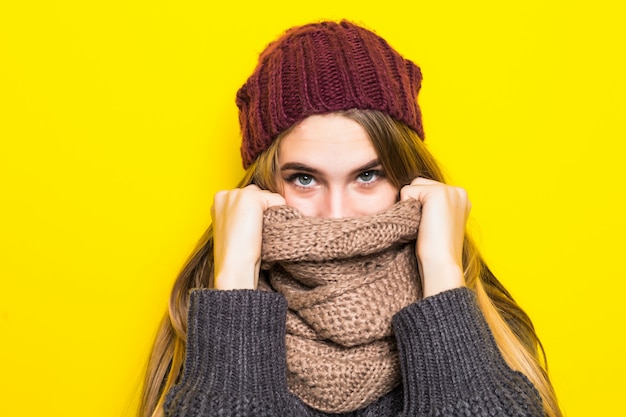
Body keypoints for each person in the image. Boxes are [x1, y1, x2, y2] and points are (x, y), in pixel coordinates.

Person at [139, 20, 562, 417]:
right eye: (304, 178)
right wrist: (233, 281)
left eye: (368, 175)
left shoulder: (484, 321)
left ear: (408, 178)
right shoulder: (202, 320)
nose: (336, 216)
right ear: (260, 187)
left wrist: (442, 276)